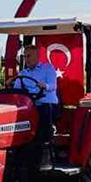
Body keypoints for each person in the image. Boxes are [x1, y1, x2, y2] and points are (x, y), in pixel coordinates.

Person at [17, 39, 59, 171]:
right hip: (30, 106)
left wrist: (44, 85)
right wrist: (10, 84)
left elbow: (53, 86)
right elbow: (18, 87)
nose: (27, 59)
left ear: (36, 56)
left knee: (42, 121)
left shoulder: (47, 69)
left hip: (47, 104)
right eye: (25, 56)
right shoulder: (23, 73)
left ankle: (44, 155)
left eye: (29, 56)